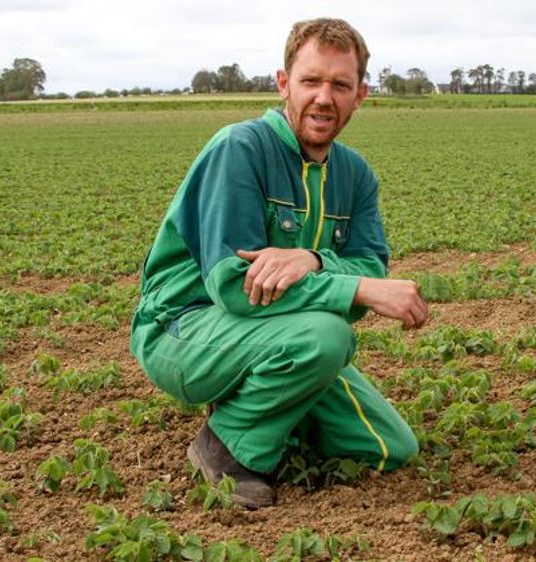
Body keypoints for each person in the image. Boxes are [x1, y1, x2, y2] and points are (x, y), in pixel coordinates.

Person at [129, 18, 426, 509]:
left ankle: (270, 410)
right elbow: (231, 284)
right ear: (284, 83)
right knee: (328, 336)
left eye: (340, 85)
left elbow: (372, 264)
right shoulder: (239, 149)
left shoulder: (355, 175)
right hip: (183, 329)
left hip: (279, 334)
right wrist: (352, 290)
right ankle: (224, 445)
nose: (324, 98)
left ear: (361, 95)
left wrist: (311, 259)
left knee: (390, 447)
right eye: (311, 81)